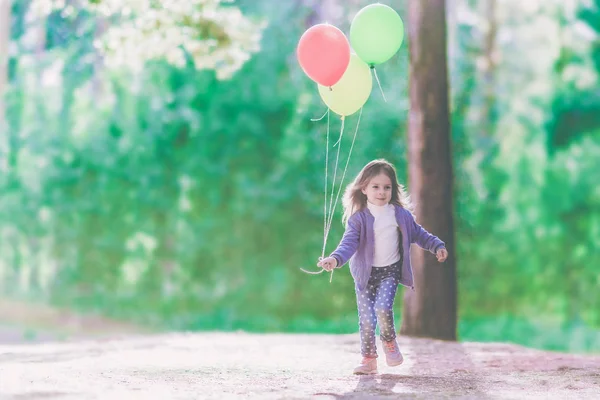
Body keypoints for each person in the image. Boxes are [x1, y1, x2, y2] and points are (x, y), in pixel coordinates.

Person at [317, 159, 448, 375]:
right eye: (376, 187)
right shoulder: (359, 218)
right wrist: (335, 259)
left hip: (389, 271)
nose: (381, 192)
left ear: (393, 189)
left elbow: (419, 234)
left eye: (387, 187)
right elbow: (348, 243)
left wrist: (436, 245)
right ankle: (368, 359)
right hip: (365, 275)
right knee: (367, 319)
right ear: (364, 188)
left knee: (383, 308)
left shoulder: (401, 215)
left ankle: (389, 341)